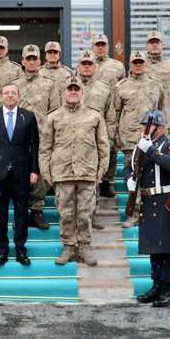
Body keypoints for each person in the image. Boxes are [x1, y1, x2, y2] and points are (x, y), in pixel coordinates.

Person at [40, 77, 109, 266]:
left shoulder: (94, 115)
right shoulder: (53, 116)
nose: (73, 92)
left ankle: (84, 247)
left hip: (87, 172)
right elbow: (45, 147)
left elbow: (103, 145)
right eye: (69, 89)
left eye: (76, 89)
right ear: (63, 93)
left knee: (85, 213)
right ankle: (69, 247)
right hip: (62, 172)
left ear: (82, 92)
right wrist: (46, 172)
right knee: (66, 213)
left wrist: (102, 168)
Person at [123, 110, 170, 307]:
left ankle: (167, 289)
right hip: (148, 202)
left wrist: (150, 150)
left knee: (167, 248)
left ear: (160, 128)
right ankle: (156, 285)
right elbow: (129, 167)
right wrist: (129, 180)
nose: (143, 129)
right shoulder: (141, 146)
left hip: (165, 200)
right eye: (143, 126)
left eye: (147, 126)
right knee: (154, 247)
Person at [0, 82, 40, 265]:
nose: (10, 96)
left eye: (14, 93)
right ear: (1, 97)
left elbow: (35, 147)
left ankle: (21, 250)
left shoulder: (28, 116)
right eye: (6, 93)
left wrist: (34, 170)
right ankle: (2, 250)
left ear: (19, 96)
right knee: (0, 214)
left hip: (21, 174)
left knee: (22, 214)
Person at [112, 50, 169, 226]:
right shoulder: (120, 86)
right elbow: (115, 114)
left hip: (152, 141)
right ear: (130, 64)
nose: (138, 65)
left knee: (152, 175)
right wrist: (115, 138)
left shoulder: (156, 85)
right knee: (133, 177)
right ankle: (133, 213)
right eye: (135, 62)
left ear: (145, 64)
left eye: (141, 62)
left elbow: (163, 111)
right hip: (130, 139)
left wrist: (165, 134)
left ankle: (150, 211)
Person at [14, 44, 60, 230]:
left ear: (40, 62)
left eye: (35, 59)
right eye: (28, 59)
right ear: (23, 62)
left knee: (39, 176)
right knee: (20, 176)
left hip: (42, 138)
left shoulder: (49, 85)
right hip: (18, 139)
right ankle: (21, 212)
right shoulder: (14, 85)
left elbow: (56, 112)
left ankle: (37, 211)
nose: (32, 62)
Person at [75, 50, 117, 229]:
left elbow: (111, 117)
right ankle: (76, 217)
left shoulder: (105, 87)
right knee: (74, 181)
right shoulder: (71, 86)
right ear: (78, 66)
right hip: (74, 140)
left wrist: (109, 139)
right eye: (83, 63)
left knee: (95, 180)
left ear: (96, 66)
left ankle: (93, 214)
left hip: (96, 140)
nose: (86, 66)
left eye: (89, 64)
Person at [91, 34, 126, 198]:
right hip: (92, 112)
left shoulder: (117, 66)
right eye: (97, 45)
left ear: (108, 46)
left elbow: (123, 88)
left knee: (111, 148)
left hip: (112, 113)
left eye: (103, 45)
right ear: (93, 47)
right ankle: (94, 181)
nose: (100, 48)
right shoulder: (86, 63)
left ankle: (107, 182)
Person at [144, 29, 170, 132]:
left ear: (162, 44)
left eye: (157, 42)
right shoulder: (139, 65)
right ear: (147, 45)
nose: (154, 45)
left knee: (164, 147)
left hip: (164, 119)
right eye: (151, 42)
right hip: (143, 119)